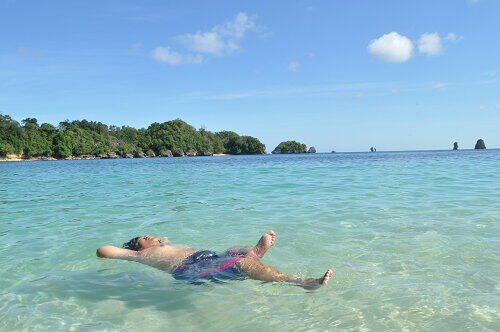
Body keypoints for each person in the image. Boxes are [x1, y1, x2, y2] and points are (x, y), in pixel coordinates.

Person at [96, 230, 332, 289]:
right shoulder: (139, 255)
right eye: (140, 239)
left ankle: (251, 252)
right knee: (242, 262)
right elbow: (102, 250)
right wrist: (130, 249)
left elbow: (161, 237)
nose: (145, 237)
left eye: (147, 235)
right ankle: (303, 282)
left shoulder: (165, 243)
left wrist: (159, 240)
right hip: (188, 269)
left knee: (234, 250)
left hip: (208, 258)